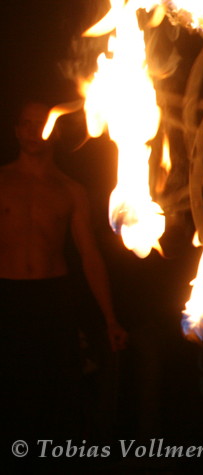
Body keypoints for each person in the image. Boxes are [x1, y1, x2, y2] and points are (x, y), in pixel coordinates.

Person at [0, 101, 128, 437]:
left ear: (54, 133)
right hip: (7, 293)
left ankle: (54, 456)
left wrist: (110, 318)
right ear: (16, 131)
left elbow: (90, 255)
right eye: (26, 124)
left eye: (40, 124)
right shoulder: (2, 181)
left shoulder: (71, 190)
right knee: (9, 385)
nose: (33, 132)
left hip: (52, 297)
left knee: (55, 387)